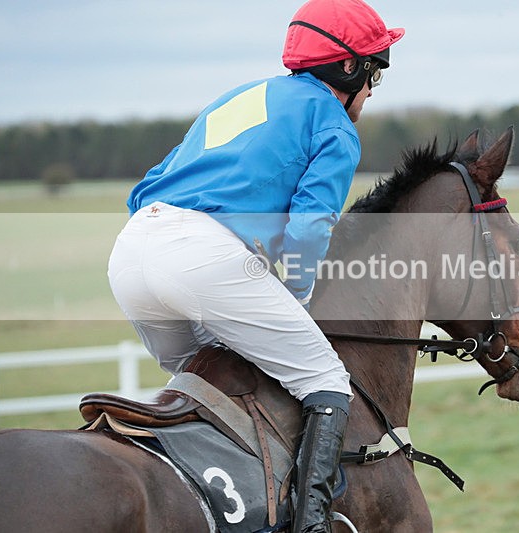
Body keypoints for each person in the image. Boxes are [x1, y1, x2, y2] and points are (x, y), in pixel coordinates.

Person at [106, 1, 403, 531]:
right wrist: (297, 297)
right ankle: (314, 522)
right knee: (326, 378)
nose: (375, 89)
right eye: (375, 72)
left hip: (132, 249)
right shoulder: (333, 123)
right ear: (349, 69)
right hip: (202, 260)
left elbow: (156, 176)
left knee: (211, 377)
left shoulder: (240, 97)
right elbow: (311, 227)